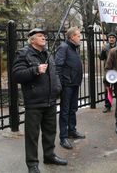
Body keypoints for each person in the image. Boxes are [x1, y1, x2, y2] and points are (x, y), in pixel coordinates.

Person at [12, 28, 67, 173]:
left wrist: (58, 88)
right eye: (41, 36)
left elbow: (54, 73)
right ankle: (32, 165)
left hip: (50, 100)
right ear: (32, 39)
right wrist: (35, 70)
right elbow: (17, 75)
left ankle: (49, 156)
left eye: (45, 36)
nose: (44, 38)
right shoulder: (23, 54)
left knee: (50, 132)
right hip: (34, 102)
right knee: (32, 136)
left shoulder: (47, 53)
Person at [55, 26, 85, 150]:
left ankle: (72, 130)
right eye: (78, 35)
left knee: (73, 109)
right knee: (65, 111)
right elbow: (58, 67)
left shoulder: (74, 48)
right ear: (72, 37)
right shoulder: (64, 47)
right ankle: (63, 137)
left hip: (74, 84)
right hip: (67, 85)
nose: (80, 38)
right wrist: (60, 85)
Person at [99, 32, 117, 113]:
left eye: (113, 37)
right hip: (108, 70)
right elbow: (101, 58)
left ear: (115, 39)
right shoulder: (106, 46)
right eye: (110, 37)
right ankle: (107, 106)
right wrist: (103, 51)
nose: (111, 39)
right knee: (107, 88)